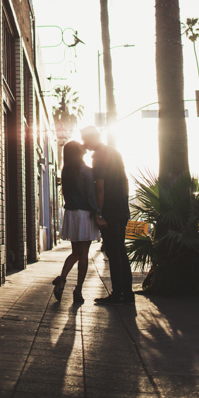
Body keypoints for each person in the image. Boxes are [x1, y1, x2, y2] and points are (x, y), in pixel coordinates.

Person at [81, 125, 135, 305]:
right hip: (122, 209)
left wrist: (99, 213)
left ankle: (118, 293)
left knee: (113, 252)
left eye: (85, 139)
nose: (84, 143)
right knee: (121, 250)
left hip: (110, 211)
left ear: (91, 138)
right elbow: (126, 181)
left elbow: (100, 187)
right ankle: (127, 293)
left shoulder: (98, 157)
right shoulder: (115, 152)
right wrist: (124, 203)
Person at [53, 140, 106, 304]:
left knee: (75, 252)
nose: (84, 146)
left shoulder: (66, 171)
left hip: (71, 214)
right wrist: (98, 213)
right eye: (80, 146)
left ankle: (62, 278)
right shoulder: (87, 171)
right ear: (78, 152)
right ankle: (78, 289)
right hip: (85, 214)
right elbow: (91, 195)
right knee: (83, 254)